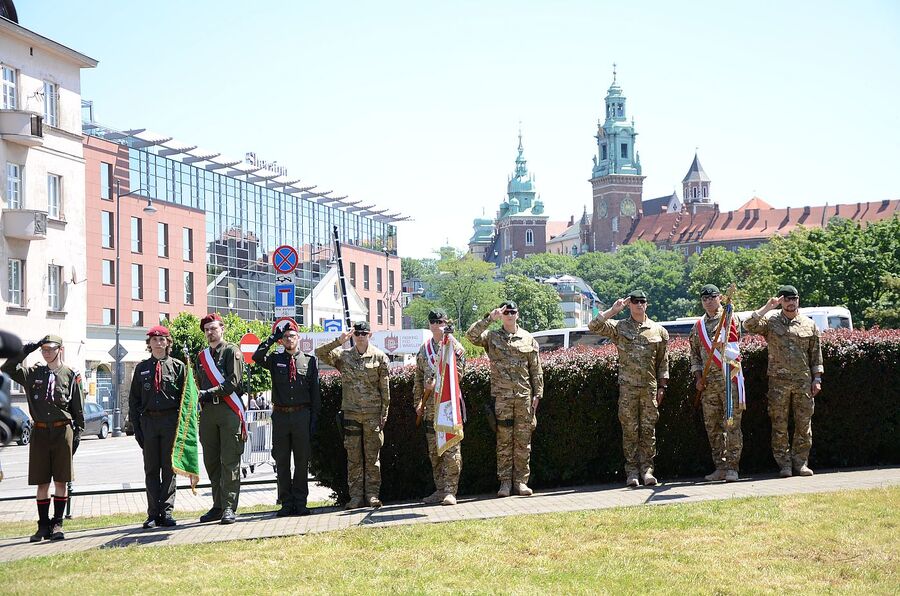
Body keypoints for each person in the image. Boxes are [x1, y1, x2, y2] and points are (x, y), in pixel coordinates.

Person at [2, 334, 84, 542]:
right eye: (43, 349)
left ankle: (57, 524)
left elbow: (78, 408)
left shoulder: (70, 375)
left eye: (50, 349)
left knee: (60, 481)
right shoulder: (33, 373)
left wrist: (78, 434)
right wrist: (25, 351)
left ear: (60, 349)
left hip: (62, 430)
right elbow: (7, 369)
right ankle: (42, 526)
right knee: (41, 482)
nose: (46, 353)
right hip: (39, 431)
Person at [589, 290, 669, 487]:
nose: (639, 304)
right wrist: (613, 310)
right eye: (634, 302)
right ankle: (632, 472)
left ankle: (648, 471)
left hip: (649, 389)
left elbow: (663, 362)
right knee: (630, 431)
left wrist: (662, 386)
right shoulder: (620, 327)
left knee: (648, 431)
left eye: (642, 301)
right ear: (629, 305)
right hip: (628, 389)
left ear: (647, 304)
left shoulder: (658, 331)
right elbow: (594, 326)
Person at [743, 285, 824, 477]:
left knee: (803, 424)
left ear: (798, 300)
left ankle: (801, 463)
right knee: (779, 424)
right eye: (786, 299)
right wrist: (767, 307)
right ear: (781, 301)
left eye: (793, 299)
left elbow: (816, 355)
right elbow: (748, 325)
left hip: (803, 382)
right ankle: (784, 465)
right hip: (778, 384)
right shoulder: (771, 322)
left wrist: (817, 378)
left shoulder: (808, 324)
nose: (790, 303)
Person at [466, 300, 543, 498]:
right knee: (504, 441)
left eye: (512, 312)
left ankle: (521, 482)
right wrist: (490, 318)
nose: (509, 315)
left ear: (518, 314)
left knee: (523, 442)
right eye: (506, 312)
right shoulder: (492, 337)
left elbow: (536, 370)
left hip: (524, 398)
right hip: (502, 398)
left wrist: (538, 394)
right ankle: (505, 483)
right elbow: (471, 336)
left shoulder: (528, 339)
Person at [315, 321, 390, 509]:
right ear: (353, 335)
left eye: (364, 333)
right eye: (357, 333)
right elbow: (320, 353)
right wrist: (339, 341)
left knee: (373, 458)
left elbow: (385, 389)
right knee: (353, 458)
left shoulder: (380, 357)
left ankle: (372, 496)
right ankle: (355, 497)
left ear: (370, 334)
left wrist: (384, 413)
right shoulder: (344, 356)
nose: (361, 336)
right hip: (351, 414)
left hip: (373, 414)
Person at [253, 320, 321, 516]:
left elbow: (315, 392)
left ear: (298, 338)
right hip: (281, 416)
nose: (289, 339)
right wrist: (272, 338)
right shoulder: (275, 359)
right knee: (282, 461)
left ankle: (300, 503)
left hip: (301, 415)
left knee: (301, 462)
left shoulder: (309, 360)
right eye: (285, 337)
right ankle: (285, 503)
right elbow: (257, 356)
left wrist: (314, 418)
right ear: (281, 341)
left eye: (292, 336)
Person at [128, 325, 187, 528]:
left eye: (162, 340)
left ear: (168, 343)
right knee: (151, 470)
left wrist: (183, 429)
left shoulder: (179, 367)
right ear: (149, 344)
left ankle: (167, 512)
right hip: (149, 423)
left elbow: (185, 400)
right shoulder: (141, 368)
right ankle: (153, 514)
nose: (158, 343)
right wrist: (137, 428)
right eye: (154, 340)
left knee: (169, 470)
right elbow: (133, 401)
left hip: (171, 422)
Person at [194, 313, 246, 524]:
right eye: (207, 329)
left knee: (229, 461)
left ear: (222, 329)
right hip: (208, 413)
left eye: (213, 328)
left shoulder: (232, 351)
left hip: (228, 410)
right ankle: (217, 506)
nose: (210, 332)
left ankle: (229, 507)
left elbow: (232, 382)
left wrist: (208, 393)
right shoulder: (202, 356)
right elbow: (197, 383)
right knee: (212, 462)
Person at [689, 285, 742, 482]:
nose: (708, 301)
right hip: (709, 384)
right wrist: (698, 378)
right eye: (705, 299)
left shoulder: (729, 318)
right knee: (712, 427)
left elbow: (734, 344)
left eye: (712, 297)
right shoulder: (698, 326)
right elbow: (694, 354)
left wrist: (729, 311)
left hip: (729, 380)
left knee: (731, 425)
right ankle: (719, 467)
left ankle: (732, 468)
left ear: (719, 298)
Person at [414, 309, 466, 506]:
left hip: (448, 408)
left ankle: (450, 491)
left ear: (446, 323)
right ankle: (440, 490)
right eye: (433, 321)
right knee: (434, 453)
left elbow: (458, 376)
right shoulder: (424, 349)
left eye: (440, 321)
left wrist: (437, 385)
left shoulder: (454, 347)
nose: (437, 325)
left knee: (451, 451)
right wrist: (418, 403)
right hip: (430, 409)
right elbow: (418, 379)